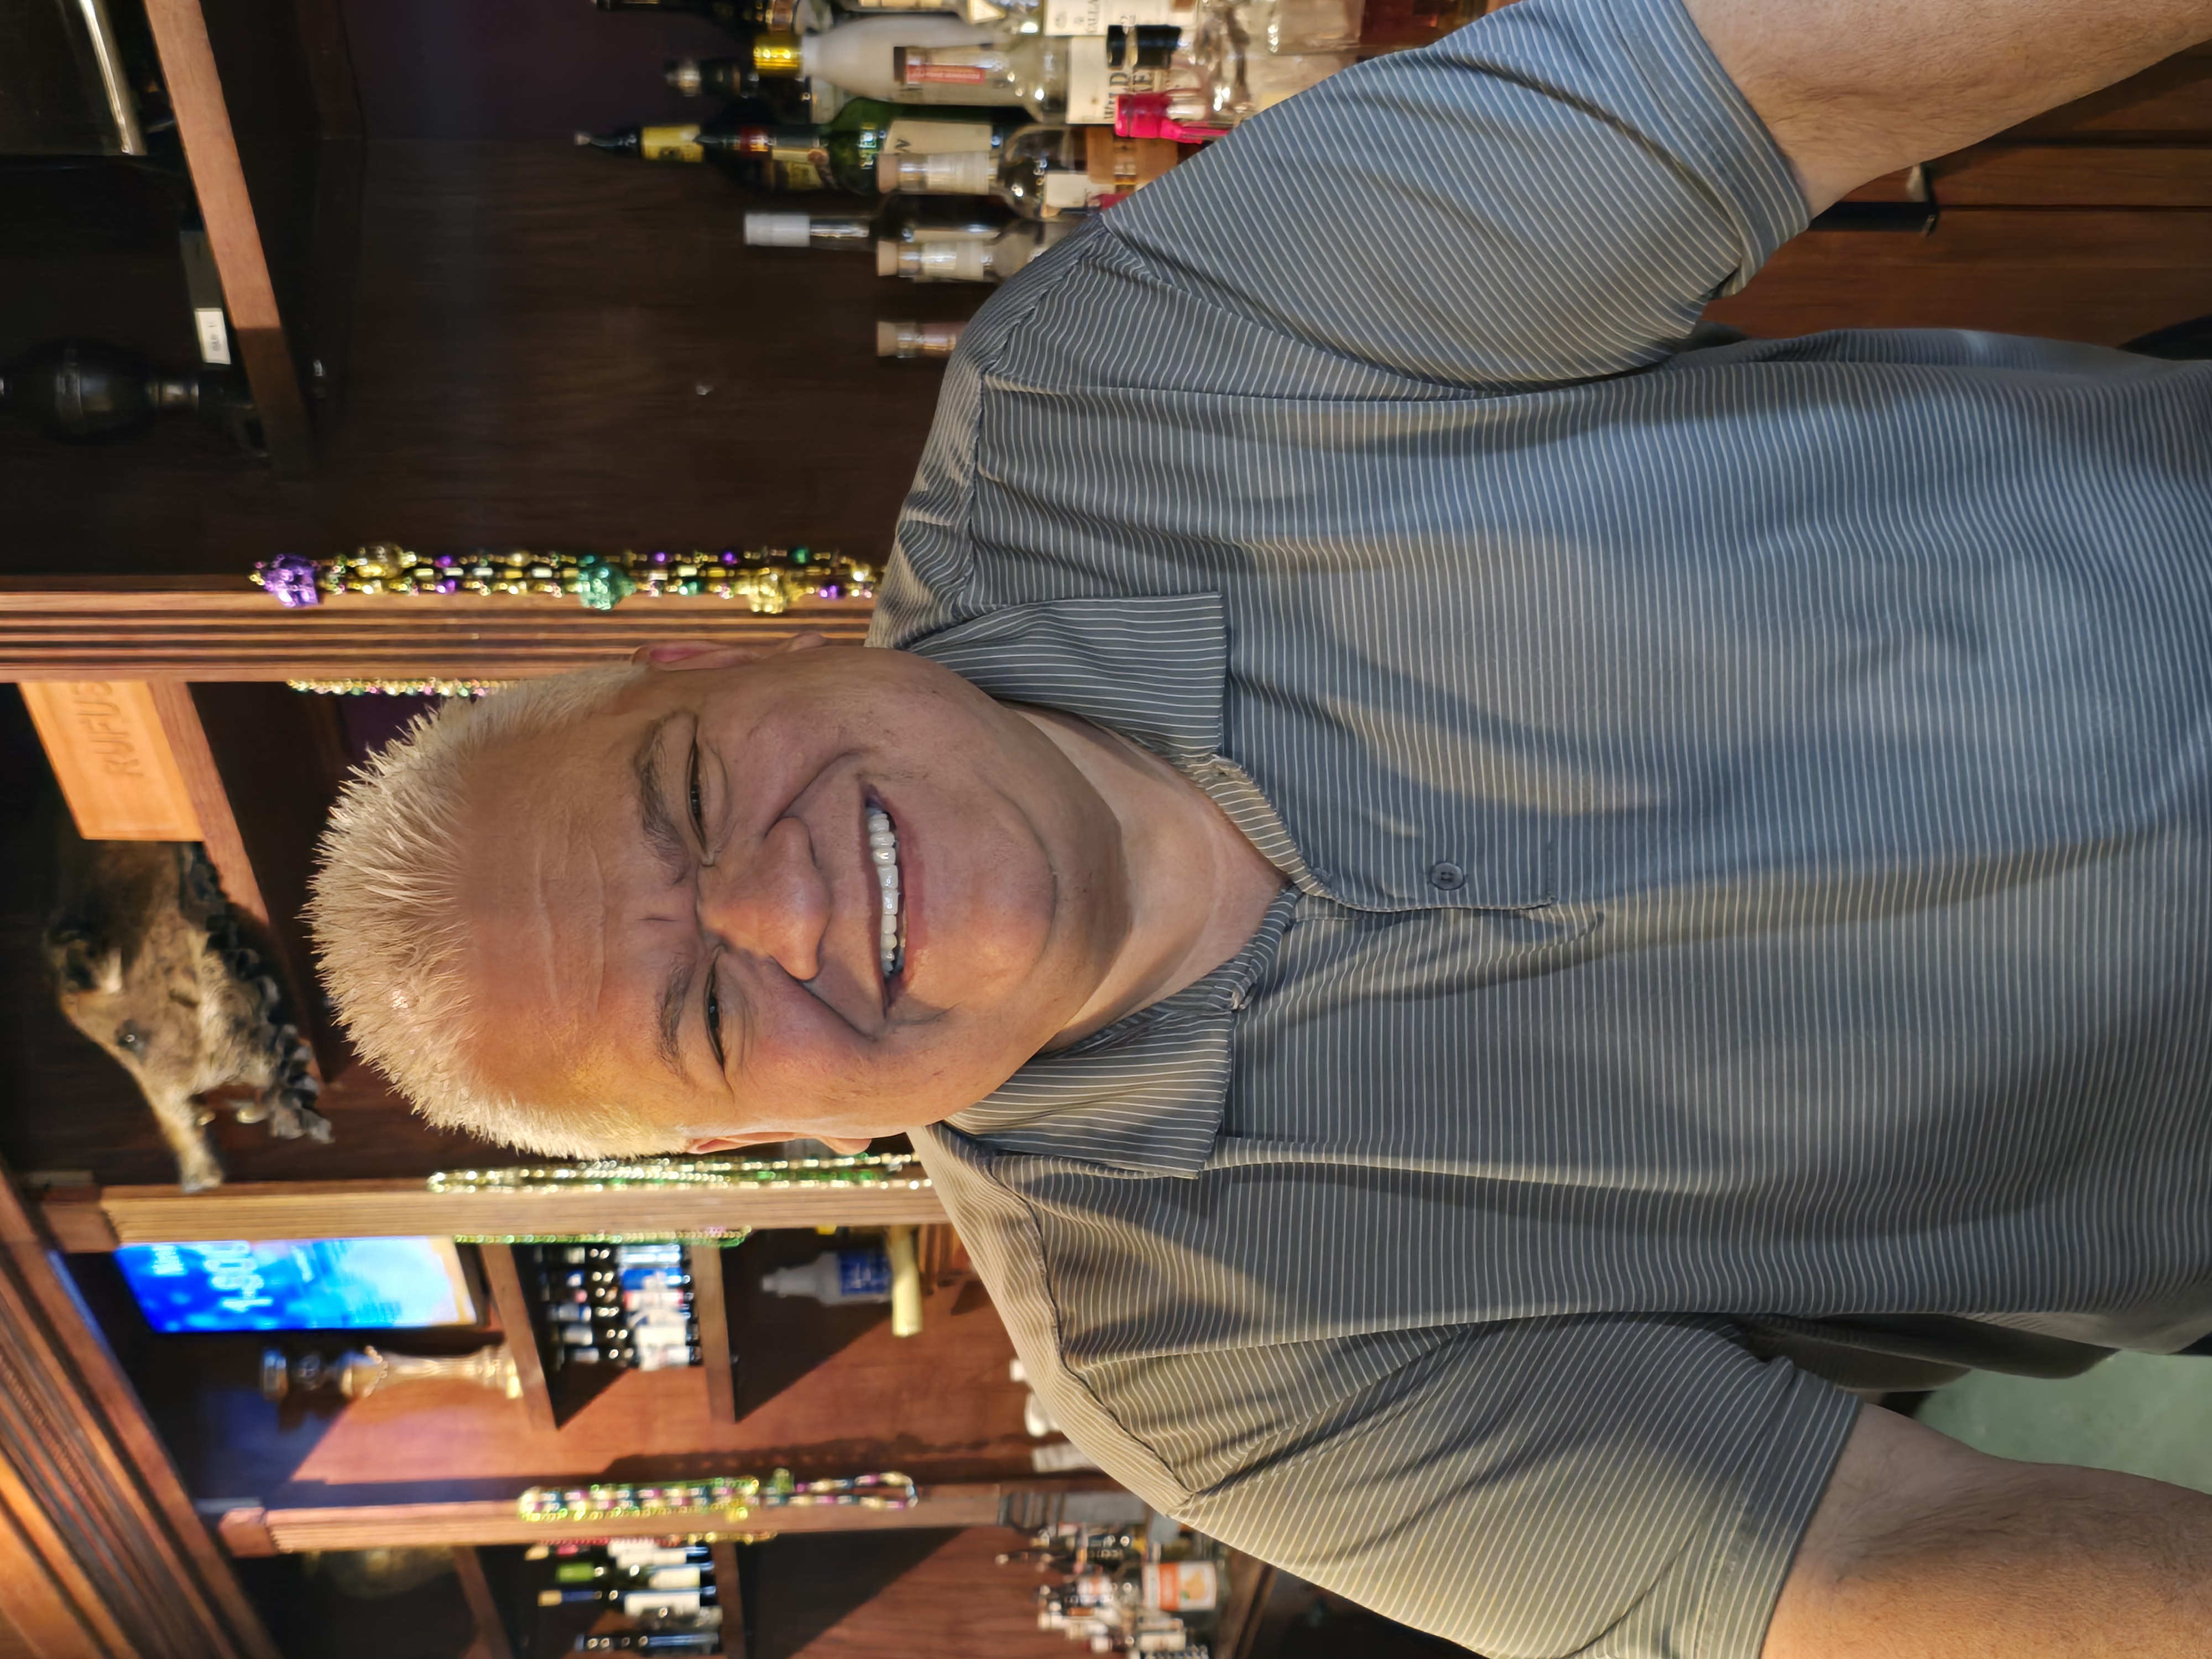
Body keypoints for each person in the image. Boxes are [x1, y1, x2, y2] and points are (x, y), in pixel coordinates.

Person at [309, 0, 2212, 1651]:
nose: (771, 898)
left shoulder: (1136, 372)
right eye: (706, 1009)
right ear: (767, 1135)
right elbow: (1866, 1570)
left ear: (709, 667)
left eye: (689, 799)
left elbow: (1761, 70)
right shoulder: (1200, 1376)